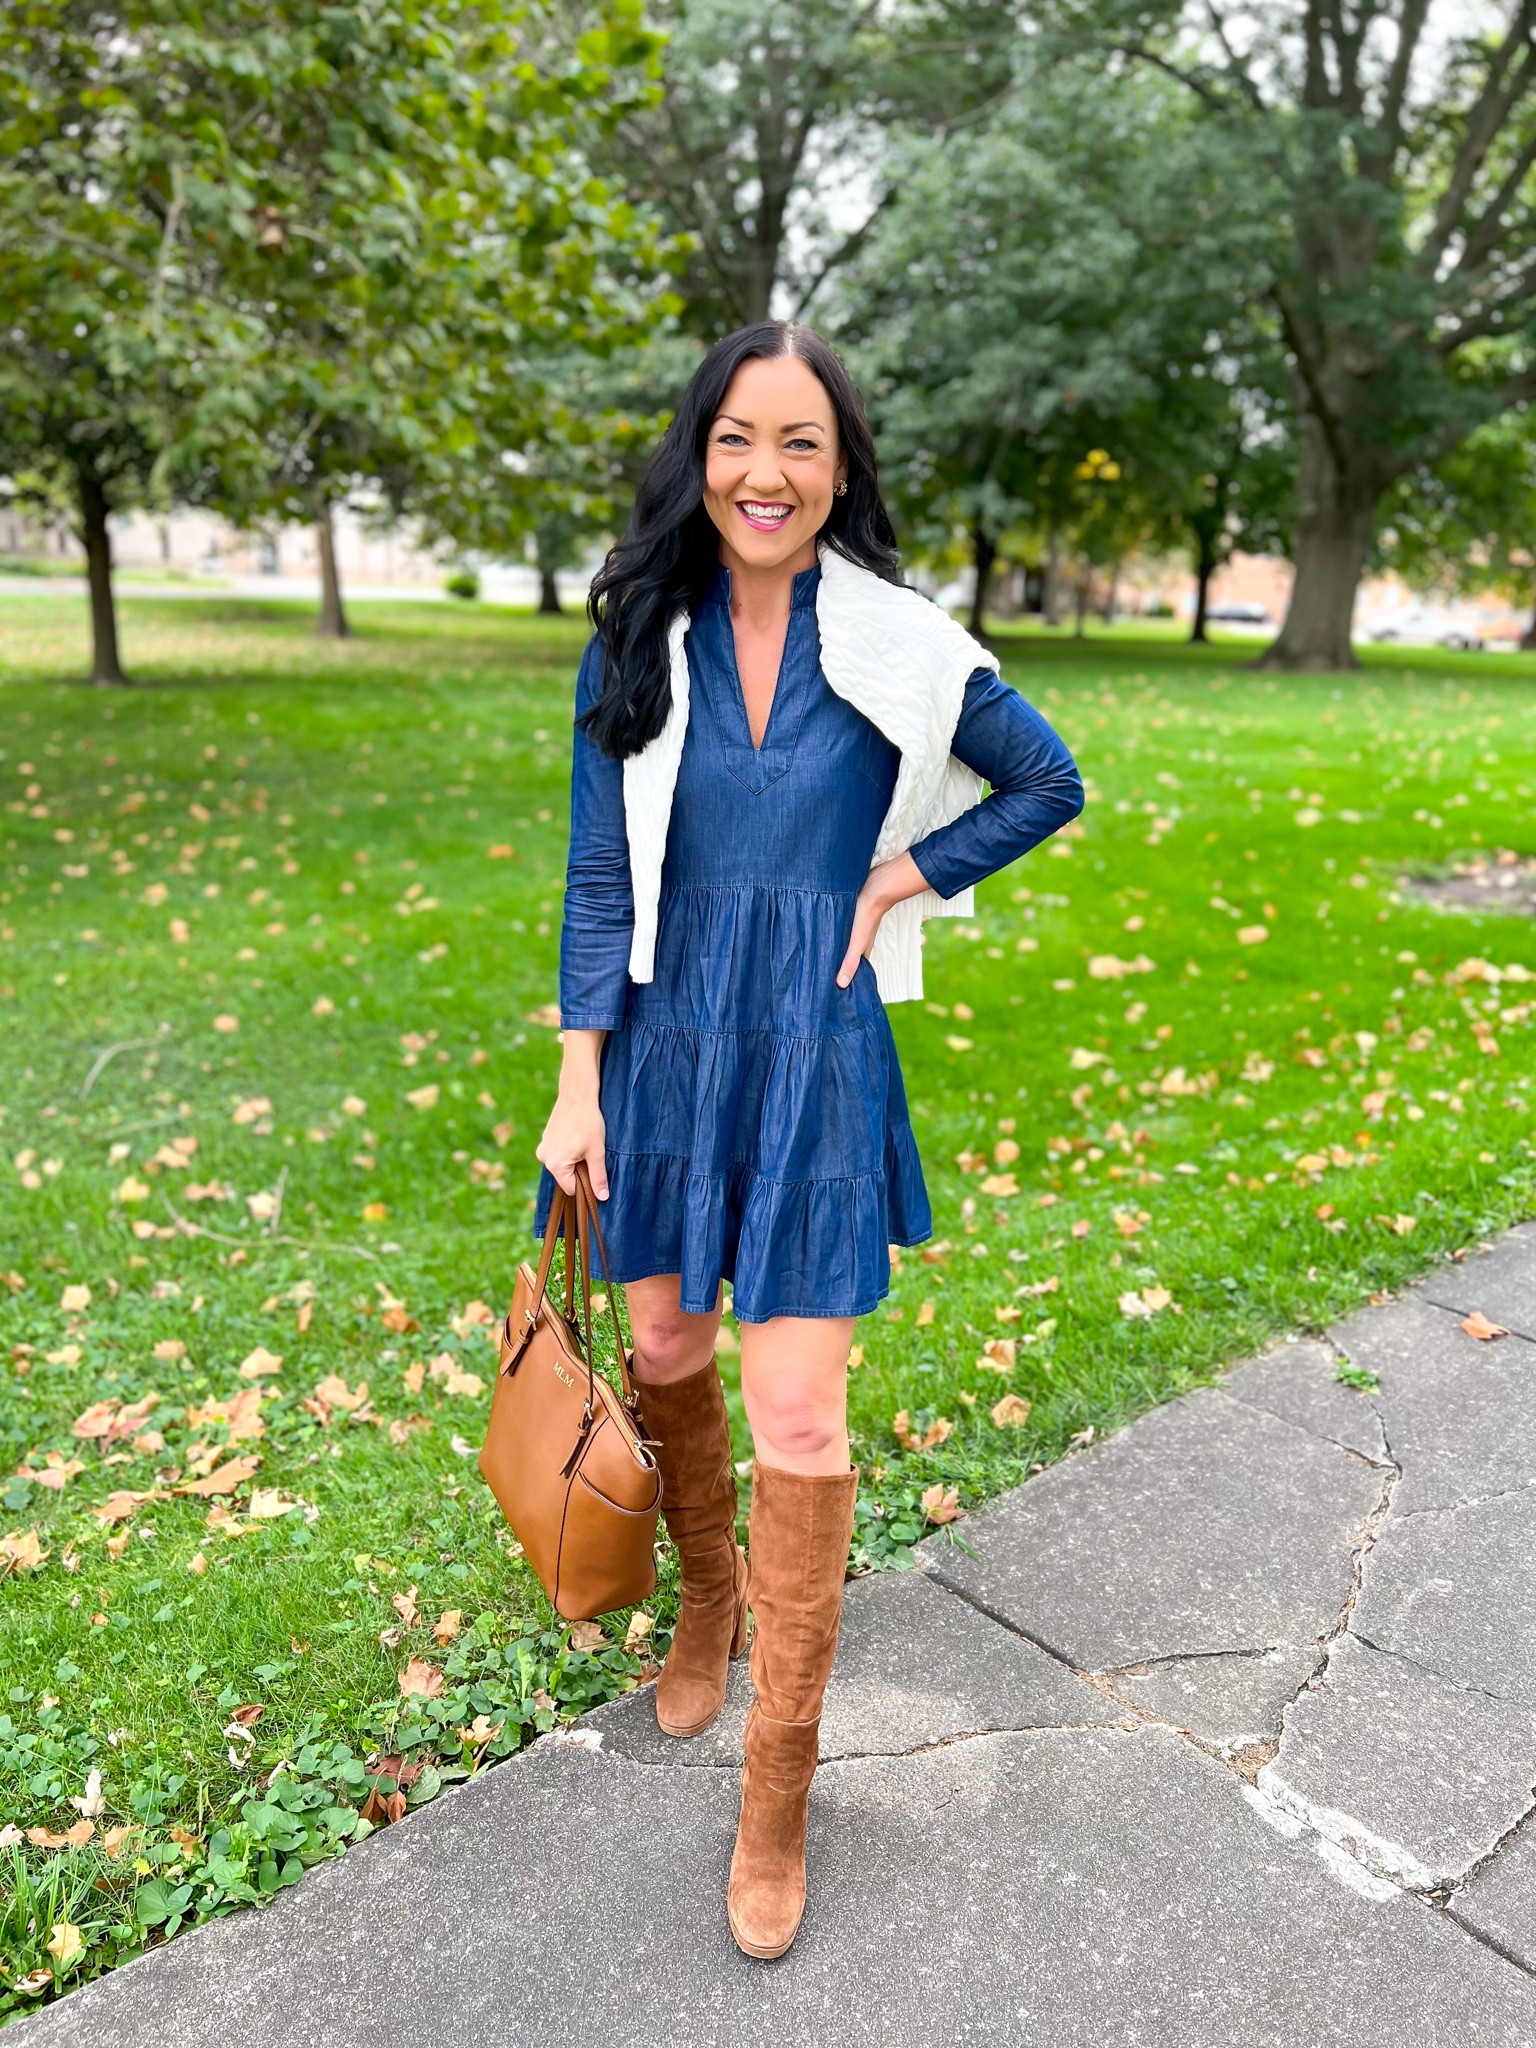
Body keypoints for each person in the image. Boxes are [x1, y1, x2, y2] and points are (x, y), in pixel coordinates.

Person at [533, 321, 1083, 1959]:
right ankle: (705, 1592)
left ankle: (780, 1782)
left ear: (842, 471)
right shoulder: (640, 631)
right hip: (664, 1039)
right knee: (661, 1335)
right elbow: (593, 876)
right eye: (735, 440)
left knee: (806, 1419)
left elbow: (1045, 780)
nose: (762, 475)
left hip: (816, 1047)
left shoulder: (906, 641)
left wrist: (906, 878)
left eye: (799, 445)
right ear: (697, 454)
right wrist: (577, 1081)